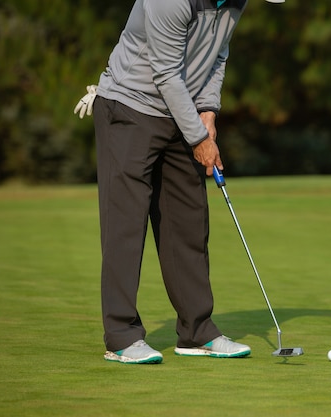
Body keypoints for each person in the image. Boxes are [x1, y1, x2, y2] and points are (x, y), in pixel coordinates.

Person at [74, 0, 285, 364]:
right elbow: (166, 72)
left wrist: (208, 111)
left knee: (188, 223)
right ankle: (122, 336)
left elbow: (218, 55)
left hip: (180, 110)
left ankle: (197, 331)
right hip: (130, 106)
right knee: (126, 225)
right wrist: (199, 139)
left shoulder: (236, 2)